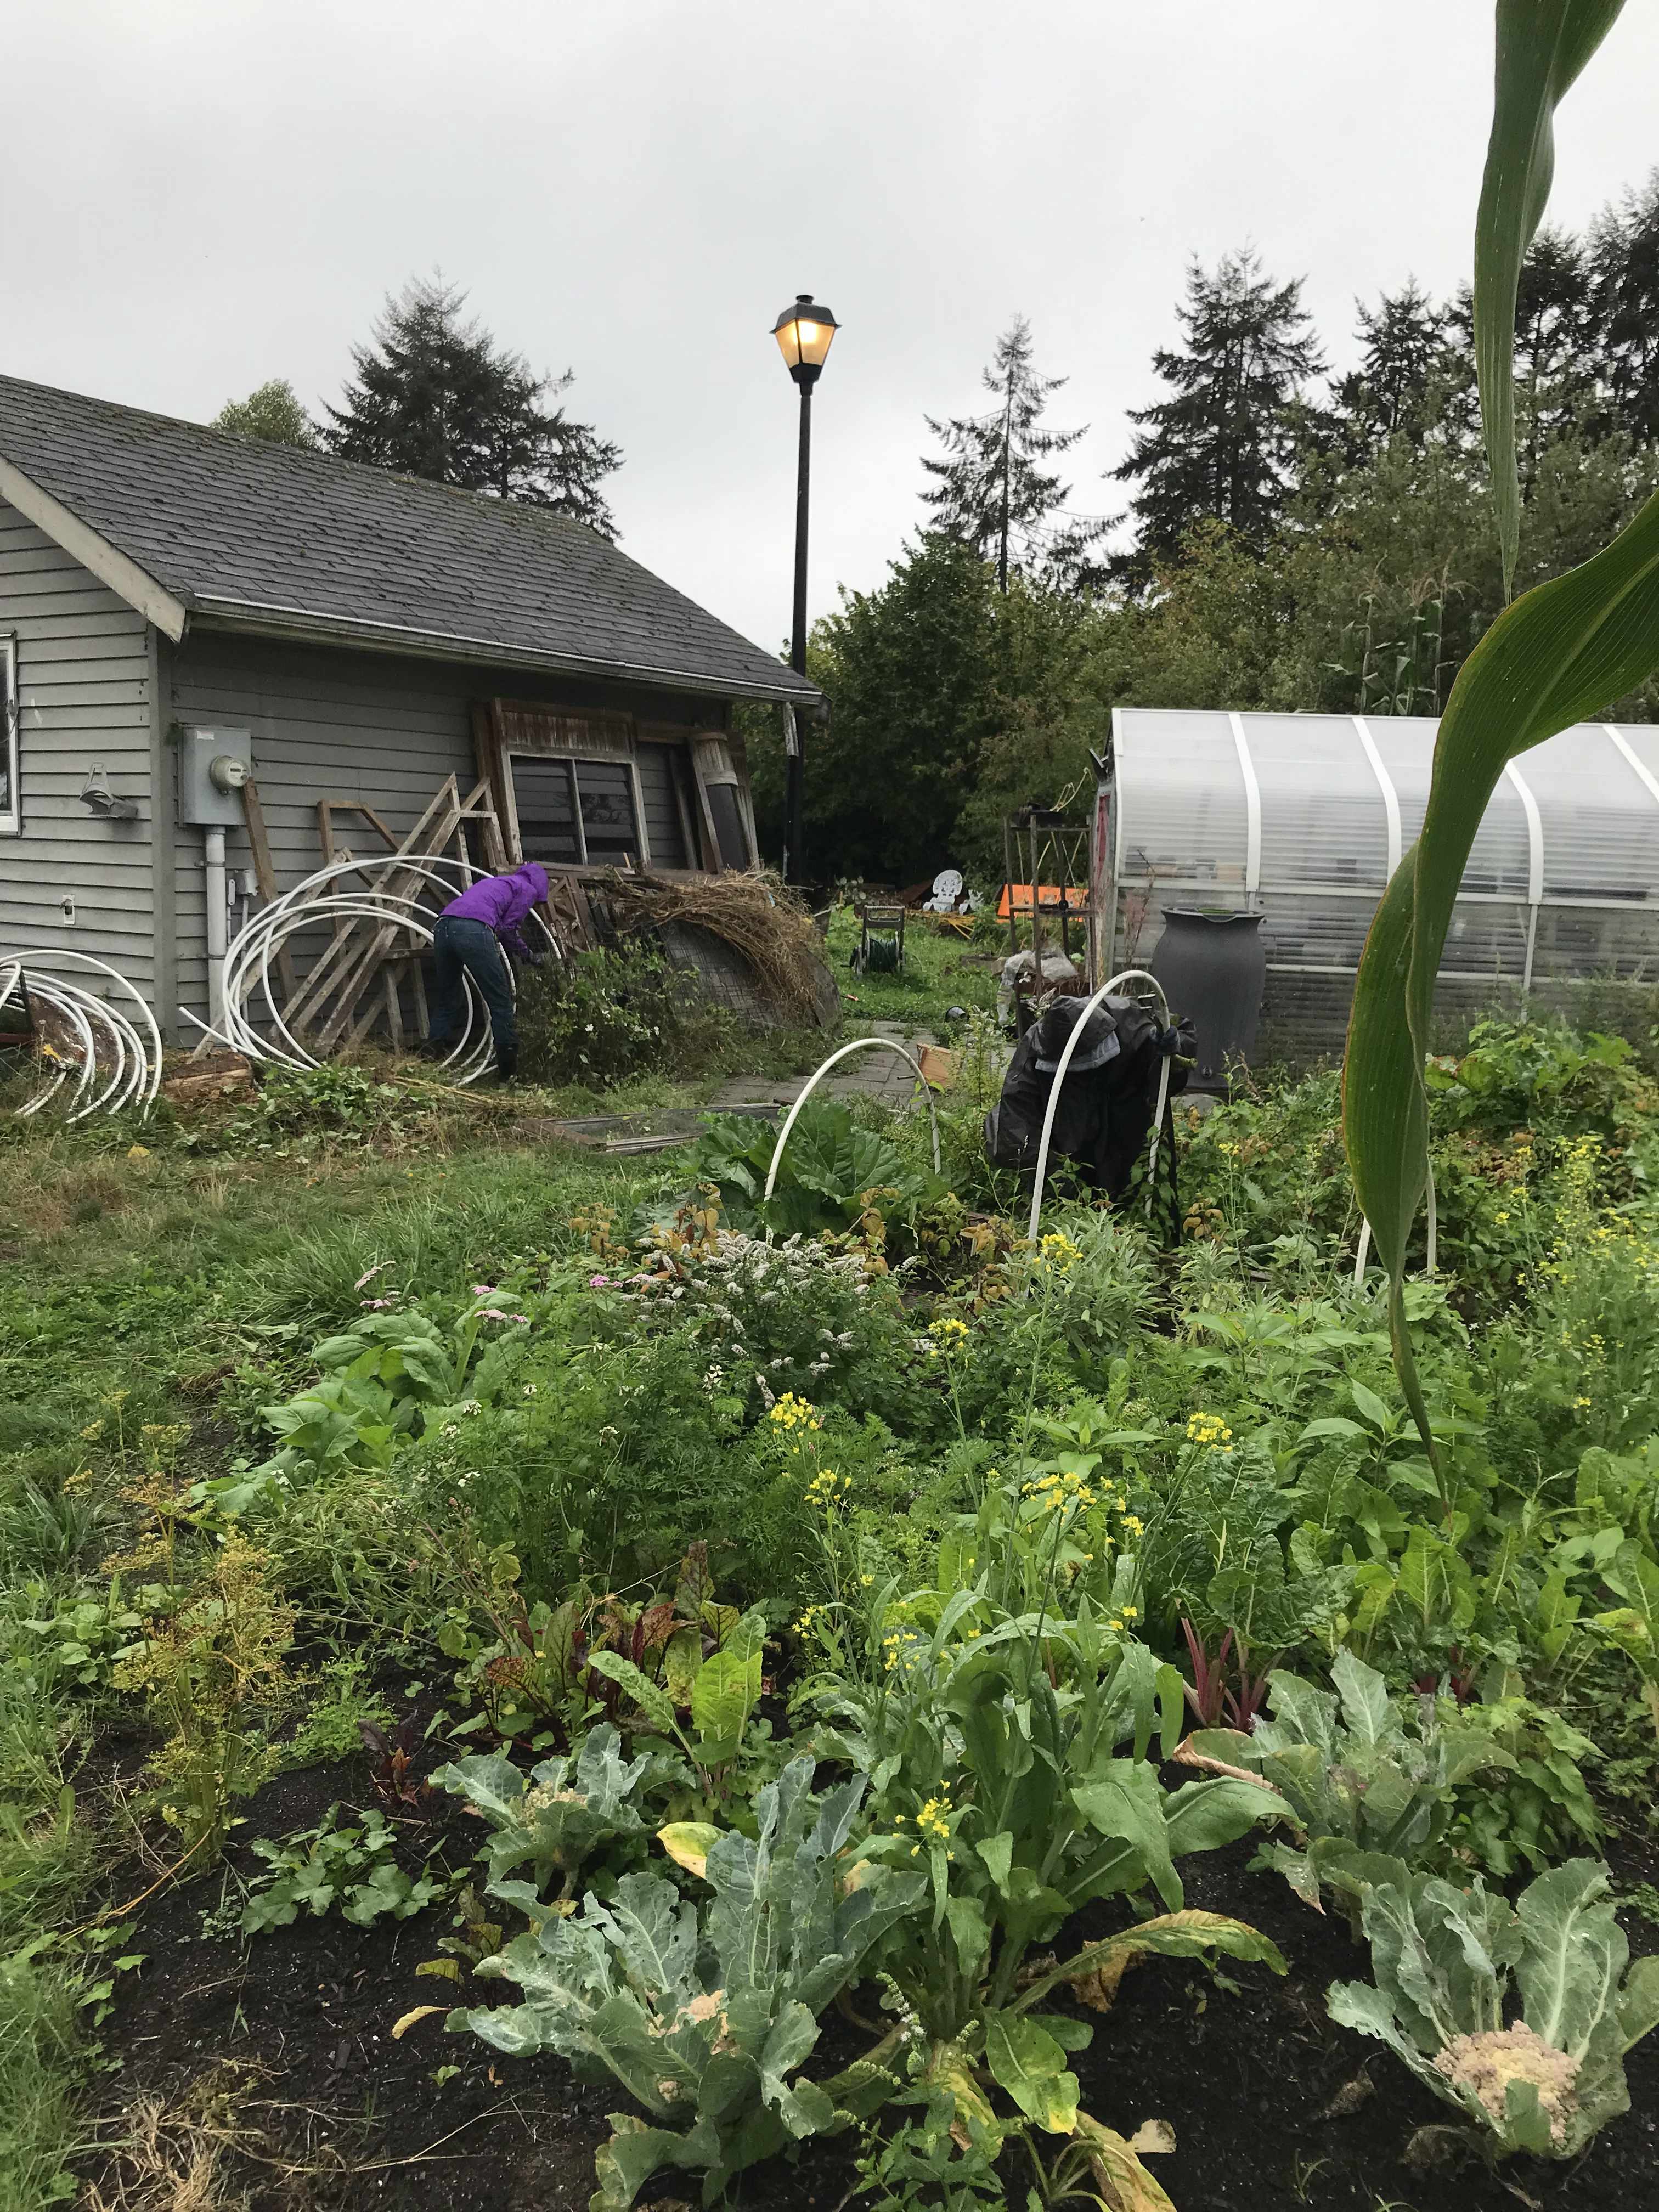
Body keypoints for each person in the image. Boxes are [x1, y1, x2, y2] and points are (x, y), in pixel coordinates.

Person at [419, 862, 549, 1080]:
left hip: (442, 928)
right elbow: (509, 928)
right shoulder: (527, 889)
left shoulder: (496, 883)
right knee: (501, 1001)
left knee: (449, 998)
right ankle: (508, 1072)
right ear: (540, 886)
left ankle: (429, 1060)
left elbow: (493, 918)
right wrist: (529, 956)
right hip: (473, 931)